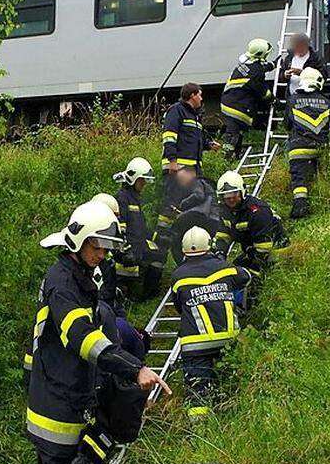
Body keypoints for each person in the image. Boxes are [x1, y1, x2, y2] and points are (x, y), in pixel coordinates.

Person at [14, 202, 171, 464]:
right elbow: (81, 338)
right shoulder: (63, 284)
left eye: (105, 247)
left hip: (54, 404)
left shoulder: (78, 279)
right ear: (78, 241)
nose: (101, 253)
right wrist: (134, 368)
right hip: (58, 415)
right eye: (95, 246)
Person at [170, 226, 252, 419]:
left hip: (195, 343)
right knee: (232, 380)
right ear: (209, 245)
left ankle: (199, 429)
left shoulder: (177, 276)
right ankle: (236, 415)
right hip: (228, 337)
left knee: (197, 389)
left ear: (183, 251)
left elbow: (179, 307)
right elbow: (246, 277)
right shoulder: (225, 268)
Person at [284, 67, 330, 219]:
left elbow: (287, 125)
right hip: (320, 148)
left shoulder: (292, 100)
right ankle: (323, 202)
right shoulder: (326, 102)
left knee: (299, 180)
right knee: (319, 176)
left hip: (298, 149)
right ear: (318, 82)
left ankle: (300, 209)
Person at [160, 82, 220, 242]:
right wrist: (173, 161)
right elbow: (169, 136)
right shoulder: (176, 111)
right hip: (178, 169)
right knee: (171, 205)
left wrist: (208, 145)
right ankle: (162, 240)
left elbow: (194, 140)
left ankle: (184, 239)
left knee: (194, 201)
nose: (201, 98)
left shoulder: (195, 116)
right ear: (192, 95)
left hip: (192, 171)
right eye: (199, 95)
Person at [213, 171, 286, 282]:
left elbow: (264, 247)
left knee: (254, 282)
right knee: (233, 272)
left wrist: (254, 272)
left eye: (234, 195)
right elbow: (223, 236)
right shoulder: (224, 211)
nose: (231, 199)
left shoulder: (257, 211)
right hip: (252, 251)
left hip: (274, 252)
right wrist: (219, 256)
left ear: (242, 192)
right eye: (227, 197)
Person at [110, 159, 166, 300]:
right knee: (140, 270)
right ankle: (135, 295)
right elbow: (119, 230)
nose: (144, 184)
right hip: (129, 252)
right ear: (132, 179)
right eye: (142, 181)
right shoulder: (122, 199)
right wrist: (125, 251)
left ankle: (149, 294)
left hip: (140, 246)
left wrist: (157, 237)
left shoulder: (135, 199)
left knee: (159, 254)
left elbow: (141, 227)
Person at [219, 38, 276, 158]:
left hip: (228, 101)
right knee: (234, 134)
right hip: (238, 107)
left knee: (235, 132)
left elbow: (259, 68)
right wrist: (275, 101)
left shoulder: (244, 64)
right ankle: (226, 157)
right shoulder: (256, 73)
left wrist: (272, 65)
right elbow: (263, 93)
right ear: (261, 54)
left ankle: (232, 157)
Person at [276, 33, 327, 100]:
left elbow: (323, 76)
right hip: (292, 96)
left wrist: (302, 73)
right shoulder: (289, 58)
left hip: (311, 97)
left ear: (306, 45)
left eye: (300, 46)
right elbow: (280, 76)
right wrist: (285, 75)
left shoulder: (316, 58)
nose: (297, 48)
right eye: (295, 46)